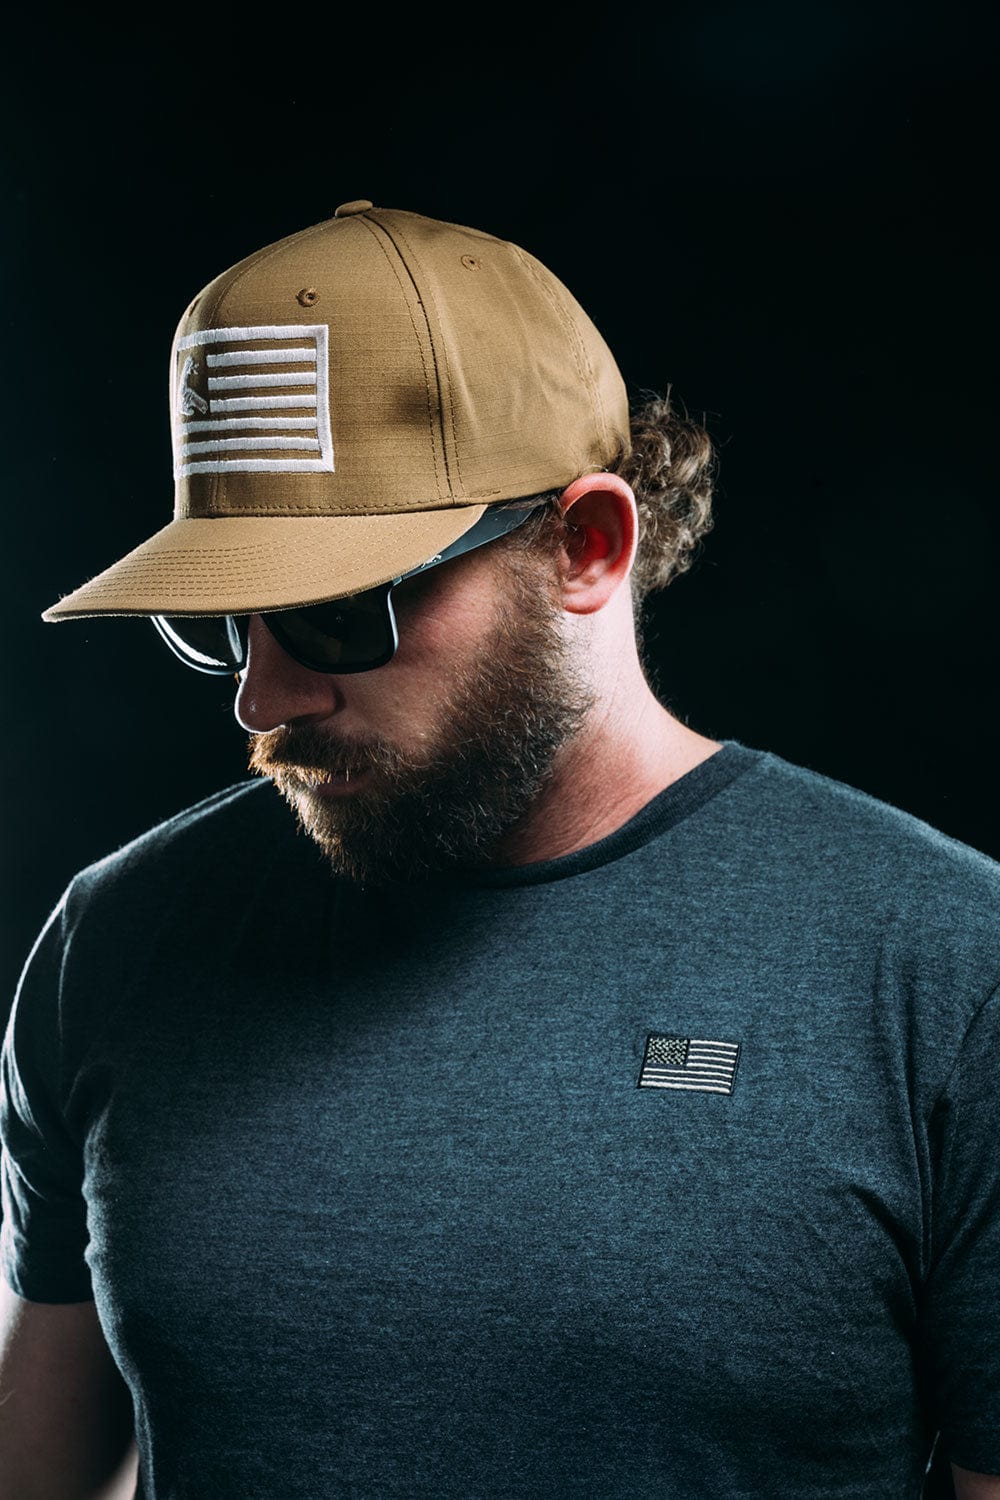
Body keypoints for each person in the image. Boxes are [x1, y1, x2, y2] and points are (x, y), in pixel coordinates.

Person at [0, 201, 996, 1500]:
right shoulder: (119, 939)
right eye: (228, 620)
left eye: (336, 612)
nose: (263, 698)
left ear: (586, 547)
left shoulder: (942, 973)